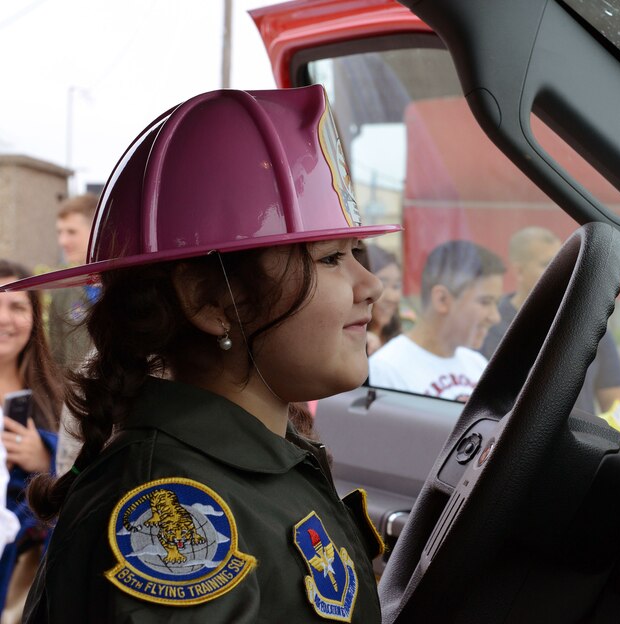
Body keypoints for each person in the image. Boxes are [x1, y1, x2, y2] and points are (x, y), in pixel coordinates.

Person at [4, 86, 400, 623]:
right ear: (210, 300)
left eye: (357, 252)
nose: (371, 284)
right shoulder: (173, 515)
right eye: (330, 258)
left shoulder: (259, 458)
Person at [480, 226, 620, 414]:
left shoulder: (592, 323)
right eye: (548, 264)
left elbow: (616, 404)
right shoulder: (489, 325)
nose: (563, 271)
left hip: (576, 443)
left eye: (566, 262)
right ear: (519, 271)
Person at [0, 261, 61, 621]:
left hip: (33, 579)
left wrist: (48, 457)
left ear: (35, 318)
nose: (4, 320)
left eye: (17, 306)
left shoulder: (62, 398)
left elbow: (95, 479)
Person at [369, 240, 504, 401]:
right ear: (442, 299)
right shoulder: (386, 369)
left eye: (496, 303)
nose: (495, 317)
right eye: (485, 302)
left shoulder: (477, 364)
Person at [49, 193, 100, 372]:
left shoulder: (127, 285)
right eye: (60, 232)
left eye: (71, 232)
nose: (63, 241)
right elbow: (57, 361)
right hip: (80, 397)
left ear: (96, 231)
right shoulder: (62, 290)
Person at [365, 245, 402, 355]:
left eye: (396, 286)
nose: (392, 297)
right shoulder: (349, 342)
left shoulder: (404, 329)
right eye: (382, 285)